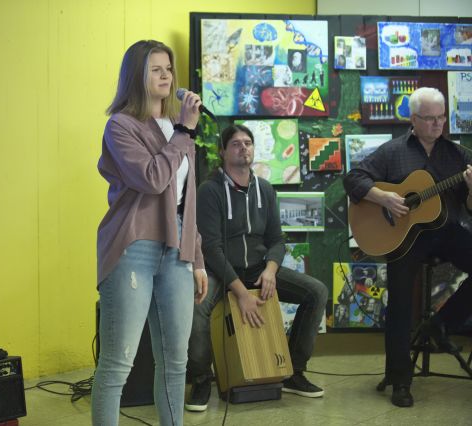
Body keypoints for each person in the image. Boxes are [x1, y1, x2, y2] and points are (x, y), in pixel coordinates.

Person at [92, 40, 208, 426]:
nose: (166, 76)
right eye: (155, 69)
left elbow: (186, 201)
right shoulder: (121, 126)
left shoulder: (179, 129)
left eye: (168, 68)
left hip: (178, 247)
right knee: (117, 365)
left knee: (176, 362)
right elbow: (153, 179)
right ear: (135, 77)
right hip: (133, 246)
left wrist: (197, 259)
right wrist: (183, 131)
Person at [344, 87, 472, 408]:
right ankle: (400, 380)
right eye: (429, 118)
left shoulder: (459, 155)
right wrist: (383, 197)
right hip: (405, 238)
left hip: (447, 233)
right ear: (413, 119)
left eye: (441, 117)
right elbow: (354, 179)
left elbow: (470, 208)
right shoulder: (392, 152)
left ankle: (441, 323)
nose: (437, 123)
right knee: (400, 303)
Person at [185, 124, 328, 412]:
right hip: (220, 271)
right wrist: (241, 293)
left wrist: (271, 269)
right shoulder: (210, 190)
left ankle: (293, 372)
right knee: (197, 306)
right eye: (236, 144)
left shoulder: (265, 189)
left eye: (248, 143)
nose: (243, 148)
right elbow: (211, 248)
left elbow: (277, 239)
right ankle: (201, 379)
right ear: (223, 151)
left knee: (317, 292)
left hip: (258, 269)